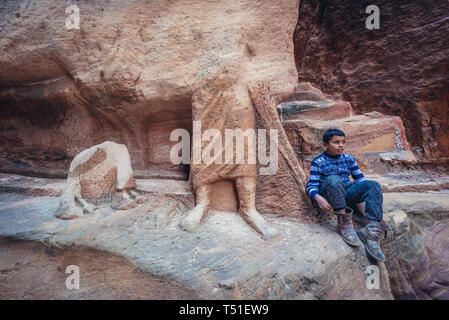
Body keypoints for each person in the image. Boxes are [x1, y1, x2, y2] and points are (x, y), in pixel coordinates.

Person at [306, 129, 386, 262]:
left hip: (346, 191)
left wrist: (369, 204)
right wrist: (318, 197)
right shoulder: (318, 162)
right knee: (333, 179)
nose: (341, 145)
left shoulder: (349, 159)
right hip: (330, 191)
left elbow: (361, 180)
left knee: (373, 185)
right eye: (336, 142)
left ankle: (372, 231)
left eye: (343, 142)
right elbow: (312, 185)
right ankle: (345, 223)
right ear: (325, 145)